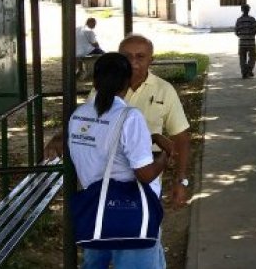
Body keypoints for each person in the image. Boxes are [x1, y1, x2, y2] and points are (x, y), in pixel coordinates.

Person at [48, 33, 192, 208]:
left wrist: (180, 180)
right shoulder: (104, 91)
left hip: (141, 194)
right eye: (126, 57)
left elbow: (181, 137)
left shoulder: (164, 90)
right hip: (104, 188)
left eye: (140, 56)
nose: (133, 62)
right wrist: (60, 137)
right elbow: (88, 122)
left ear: (151, 60)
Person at [68, 52, 173, 268]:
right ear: (127, 82)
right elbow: (144, 175)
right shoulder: (129, 116)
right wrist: (164, 157)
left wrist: (150, 138)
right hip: (128, 214)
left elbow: (103, 146)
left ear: (95, 81)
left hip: (96, 211)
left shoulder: (78, 115)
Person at [235, 4, 256, 78]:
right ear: (249, 10)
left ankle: (244, 72)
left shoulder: (239, 20)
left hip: (242, 42)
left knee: (242, 57)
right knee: (253, 56)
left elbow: (236, 31)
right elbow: (255, 29)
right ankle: (249, 69)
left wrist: (241, 36)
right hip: (251, 42)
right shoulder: (252, 19)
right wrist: (252, 34)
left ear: (242, 10)